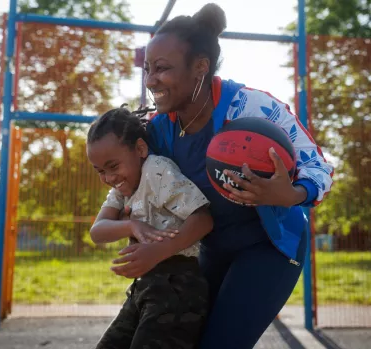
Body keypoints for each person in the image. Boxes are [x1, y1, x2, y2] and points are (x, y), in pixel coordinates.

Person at [109, 3, 335, 348]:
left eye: (162, 69)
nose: (151, 79)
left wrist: (289, 194)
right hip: (211, 246)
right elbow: (128, 183)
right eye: (147, 69)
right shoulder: (158, 131)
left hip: (269, 245)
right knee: (184, 338)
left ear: (200, 67)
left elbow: (320, 169)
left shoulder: (252, 108)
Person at [86, 105, 214, 349]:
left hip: (178, 287)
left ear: (140, 149)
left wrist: (158, 251)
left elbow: (203, 219)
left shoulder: (157, 171)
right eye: (100, 171)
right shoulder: (121, 188)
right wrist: (131, 226)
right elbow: (97, 231)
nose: (109, 178)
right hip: (144, 288)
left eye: (113, 166)